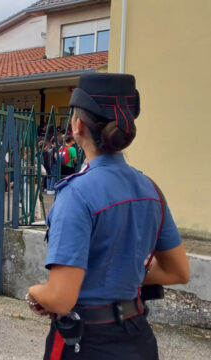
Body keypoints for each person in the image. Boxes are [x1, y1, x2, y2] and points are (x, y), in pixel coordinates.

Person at [26, 74, 190, 359]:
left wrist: (35, 293)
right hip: (138, 337)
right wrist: (127, 275)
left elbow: (61, 299)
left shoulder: (76, 195)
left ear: (78, 126)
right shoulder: (151, 189)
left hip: (87, 342)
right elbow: (179, 272)